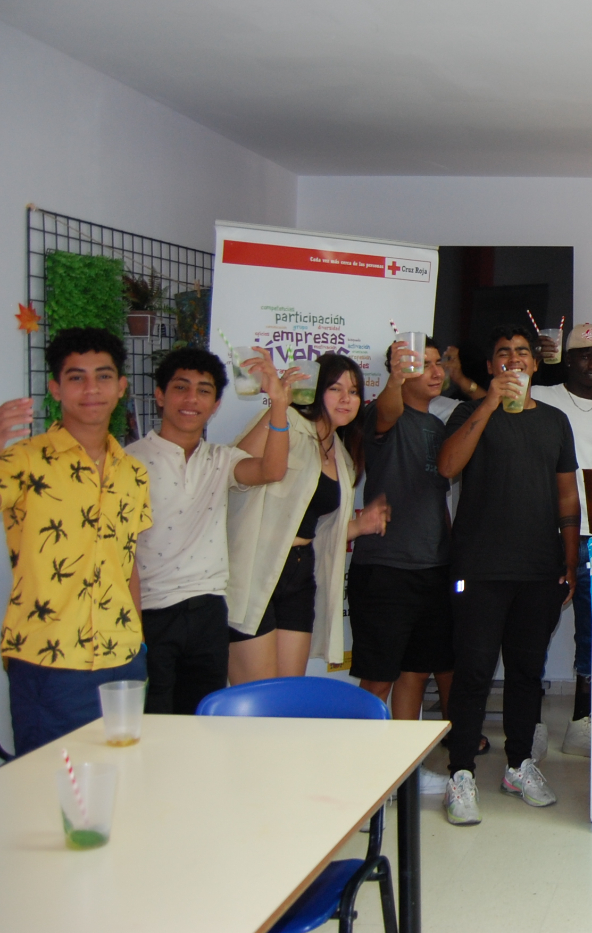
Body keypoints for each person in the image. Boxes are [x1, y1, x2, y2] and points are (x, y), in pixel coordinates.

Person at [437, 325, 579, 825]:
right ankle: (460, 773)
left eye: (523, 354)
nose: (515, 361)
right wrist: (487, 405)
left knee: (526, 673)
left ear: (535, 365)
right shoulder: (468, 412)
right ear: (493, 366)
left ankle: (519, 764)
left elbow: (566, 496)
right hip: (479, 566)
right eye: (504, 355)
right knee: (473, 672)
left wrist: (568, 559)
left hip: (539, 568)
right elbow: (447, 465)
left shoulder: (556, 422)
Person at [0, 329, 152, 755]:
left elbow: (128, 563)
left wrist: (137, 641)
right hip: (48, 661)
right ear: (55, 387)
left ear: (121, 387)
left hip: (123, 657)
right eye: (76, 377)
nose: (91, 389)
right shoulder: (22, 460)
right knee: (48, 792)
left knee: (122, 779)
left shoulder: (133, 472)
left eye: (103, 377)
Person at [126, 346, 292, 715]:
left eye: (203, 391)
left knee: (203, 719)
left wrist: (279, 404)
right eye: (181, 388)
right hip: (151, 613)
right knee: (153, 722)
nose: (191, 399)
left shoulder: (220, 459)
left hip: (208, 612)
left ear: (216, 404)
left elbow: (272, 470)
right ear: (160, 395)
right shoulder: (129, 461)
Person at [227, 353, 389, 683]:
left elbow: (320, 527)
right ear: (314, 390)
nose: (347, 398)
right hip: (257, 567)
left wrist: (362, 525)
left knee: (288, 696)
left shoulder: (342, 455)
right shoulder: (285, 421)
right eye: (336, 388)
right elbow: (235, 468)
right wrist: (278, 407)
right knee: (258, 697)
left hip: (300, 574)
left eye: (355, 391)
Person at [347, 337, 455, 794]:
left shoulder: (438, 424)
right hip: (386, 567)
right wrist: (393, 378)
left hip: (432, 569)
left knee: (415, 672)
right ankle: (362, 774)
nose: (435, 372)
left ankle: (404, 771)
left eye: (438, 365)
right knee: (378, 677)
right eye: (423, 365)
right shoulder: (381, 413)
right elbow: (387, 412)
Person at [529, 322, 592, 759]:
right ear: (567, 360)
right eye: (586, 354)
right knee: (535, 629)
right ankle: (528, 721)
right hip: (547, 531)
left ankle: (581, 722)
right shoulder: (542, 398)